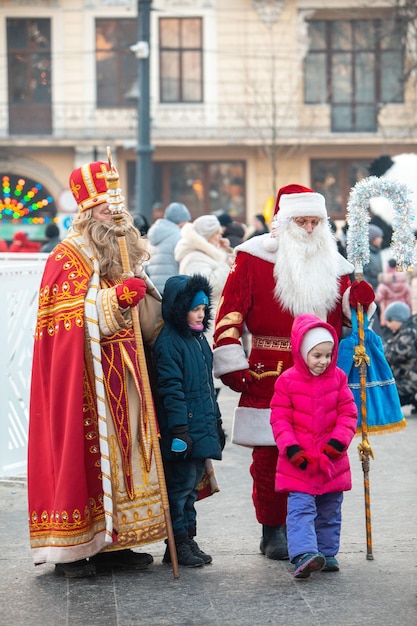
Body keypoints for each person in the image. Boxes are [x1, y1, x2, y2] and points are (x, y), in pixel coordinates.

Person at [213, 183, 374, 561]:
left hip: (322, 374)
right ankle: (274, 529)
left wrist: (359, 303)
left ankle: (313, 532)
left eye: (314, 221)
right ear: (282, 223)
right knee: (271, 457)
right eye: (300, 220)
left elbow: (353, 325)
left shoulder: (338, 267)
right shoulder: (252, 258)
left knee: (322, 452)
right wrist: (233, 363)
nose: (307, 228)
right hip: (269, 373)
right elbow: (229, 315)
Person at [28, 160, 166, 578]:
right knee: (84, 457)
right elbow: (70, 320)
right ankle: (73, 549)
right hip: (86, 380)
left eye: (118, 208)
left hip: (125, 372)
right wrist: (116, 300)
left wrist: (143, 292)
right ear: (88, 212)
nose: (116, 216)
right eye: (107, 210)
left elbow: (142, 309)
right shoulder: (67, 255)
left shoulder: (124, 251)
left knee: (129, 456)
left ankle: (118, 542)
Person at [270, 314, 357, 578]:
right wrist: (291, 448)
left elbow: (348, 413)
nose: (324, 362)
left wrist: (337, 443)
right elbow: (280, 417)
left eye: (328, 355)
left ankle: (327, 552)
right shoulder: (286, 381)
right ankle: (304, 553)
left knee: (330, 507)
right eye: (317, 355)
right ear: (302, 351)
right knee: (300, 508)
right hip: (300, 459)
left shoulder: (339, 379)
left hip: (331, 458)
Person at [152, 274, 225, 567]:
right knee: (179, 488)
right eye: (195, 308)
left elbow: (208, 387)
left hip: (200, 426)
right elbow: (170, 389)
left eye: (204, 308)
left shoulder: (198, 340)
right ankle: (176, 542)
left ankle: (188, 539)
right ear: (179, 308)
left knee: (192, 488)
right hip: (182, 430)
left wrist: (216, 423)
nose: (201, 313)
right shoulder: (169, 342)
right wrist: (180, 430)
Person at [175, 214, 234, 396]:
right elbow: (208, 286)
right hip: (203, 320)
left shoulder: (209, 253)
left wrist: (226, 253)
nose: (220, 238)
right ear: (207, 236)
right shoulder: (194, 257)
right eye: (216, 234)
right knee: (206, 376)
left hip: (213, 318)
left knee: (213, 375)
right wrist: (226, 264)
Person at [145, 202, 191, 294]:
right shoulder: (178, 236)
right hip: (174, 288)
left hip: (155, 290)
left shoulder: (153, 234)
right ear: (181, 221)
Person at [382, 301, 417, 414]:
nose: (388, 324)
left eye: (390, 320)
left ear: (399, 319)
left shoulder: (408, 333)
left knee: (388, 397)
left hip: (410, 380)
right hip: (408, 376)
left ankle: (412, 397)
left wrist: (380, 350)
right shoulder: (406, 331)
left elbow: (394, 355)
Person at [375, 258, 412, 334]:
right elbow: (409, 300)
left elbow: (378, 298)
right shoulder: (404, 282)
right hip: (403, 316)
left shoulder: (384, 284)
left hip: (389, 319)